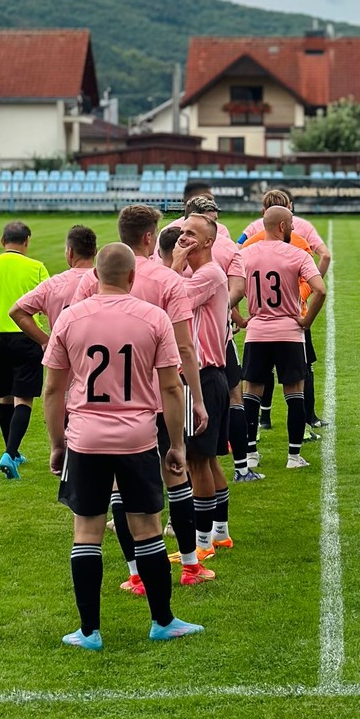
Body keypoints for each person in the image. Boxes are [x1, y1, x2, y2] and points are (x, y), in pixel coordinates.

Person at [43, 242, 202, 649]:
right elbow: (171, 385)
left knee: (86, 532)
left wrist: (57, 444)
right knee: (148, 529)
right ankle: (162, 621)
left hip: (85, 438)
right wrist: (177, 446)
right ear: (133, 277)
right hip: (137, 438)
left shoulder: (70, 318)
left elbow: (51, 391)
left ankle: (89, 631)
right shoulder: (154, 318)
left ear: (94, 276)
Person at [73, 204, 209, 590]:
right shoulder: (168, 281)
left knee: (118, 487)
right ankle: (188, 564)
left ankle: (135, 575)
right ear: (151, 237)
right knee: (176, 474)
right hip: (160, 391)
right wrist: (196, 399)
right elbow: (184, 348)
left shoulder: (96, 277)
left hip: (107, 399)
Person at [235, 206, 327, 469]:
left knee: (252, 391)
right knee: (294, 391)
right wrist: (306, 321)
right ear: (283, 227)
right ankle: (293, 456)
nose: (294, 230)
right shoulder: (297, 254)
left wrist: (238, 317)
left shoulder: (245, 254)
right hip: (289, 332)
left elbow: (229, 288)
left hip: (257, 332)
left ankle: (251, 453)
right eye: (292, 226)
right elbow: (320, 289)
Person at [170, 213, 236, 562]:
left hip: (201, 376)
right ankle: (220, 534)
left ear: (209, 241)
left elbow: (169, 301)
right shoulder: (198, 274)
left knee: (196, 461)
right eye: (182, 232)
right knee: (207, 461)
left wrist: (172, 263)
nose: (184, 237)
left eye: (191, 234)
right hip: (209, 376)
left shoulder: (208, 274)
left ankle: (203, 541)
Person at [0, 220, 50, 478]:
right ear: (26, 241)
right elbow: (46, 302)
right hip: (25, 337)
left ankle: (12, 452)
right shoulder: (36, 268)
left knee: (4, 396)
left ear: (2, 241)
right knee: (23, 397)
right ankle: (10, 453)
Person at [9, 226, 98, 348]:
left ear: (70, 252)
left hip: (64, 356)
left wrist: (45, 341)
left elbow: (16, 311)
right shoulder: (110, 282)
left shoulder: (53, 285)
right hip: (101, 357)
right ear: (95, 251)